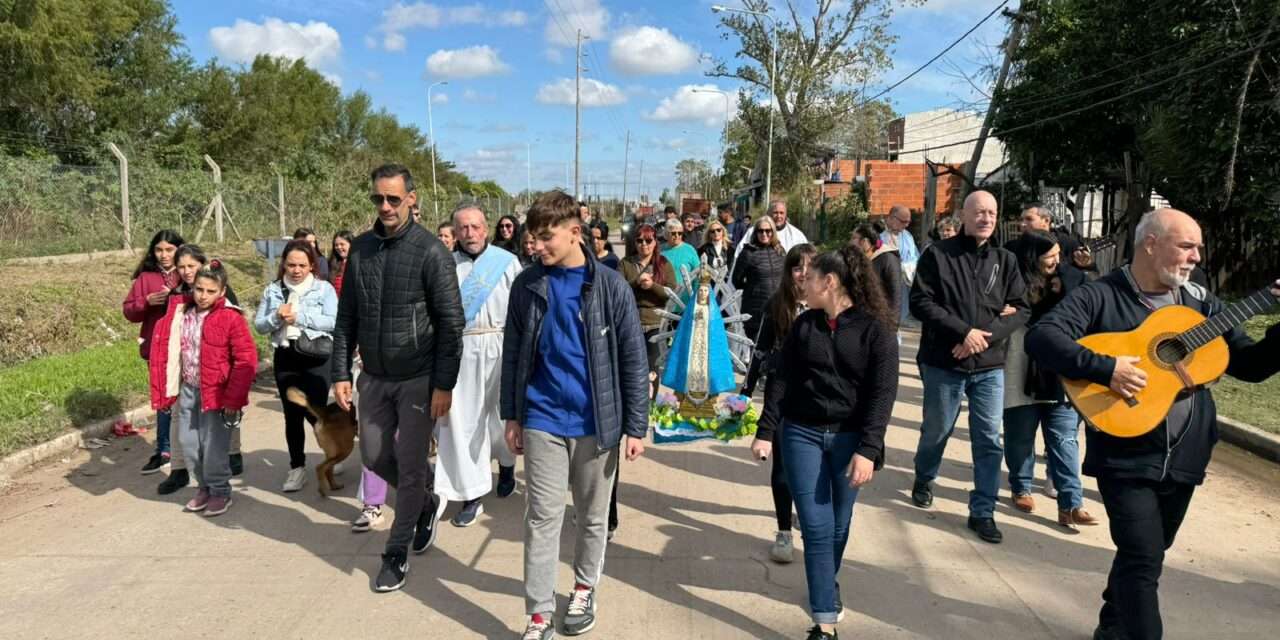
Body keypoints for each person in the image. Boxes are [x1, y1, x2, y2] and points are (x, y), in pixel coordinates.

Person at [1026, 209, 1280, 640]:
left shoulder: (1200, 303)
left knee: (1145, 554)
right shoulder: (1100, 296)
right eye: (1186, 246)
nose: (1196, 257)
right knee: (1143, 559)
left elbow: (1251, 367)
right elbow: (1042, 337)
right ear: (1150, 244)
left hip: (1187, 454)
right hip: (1125, 453)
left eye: (1197, 247)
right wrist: (1106, 369)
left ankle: (1111, 627)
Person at [501, 190, 648, 640]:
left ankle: (584, 588)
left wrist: (636, 426)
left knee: (590, 514)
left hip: (596, 422)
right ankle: (540, 614)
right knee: (542, 515)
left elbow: (633, 359)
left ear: (574, 233)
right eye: (533, 238)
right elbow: (512, 355)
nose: (537, 246)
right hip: (543, 416)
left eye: (546, 238)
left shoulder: (610, 287)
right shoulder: (527, 286)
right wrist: (512, 414)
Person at [330, 164, 464, 593]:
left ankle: (395, 552)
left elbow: (450, 322)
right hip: (373, 377)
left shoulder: (431, 251)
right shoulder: (362, 250)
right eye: (378, 199)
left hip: (419, 379)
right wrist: (339, 373)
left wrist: (444, 384)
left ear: (411, 199)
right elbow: (346, 316)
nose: (385, 206)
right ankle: (426, 501)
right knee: (372, 455)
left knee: (408, 466)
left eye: (393, 198)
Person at [756, 245, 899, 640]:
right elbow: (781, 380)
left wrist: (868, 450)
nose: (803, 280)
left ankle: (824, 580)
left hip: (851, 440)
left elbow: (882, 394)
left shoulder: (876, 331)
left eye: (811, 276)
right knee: (817, 527)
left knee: (838, 526)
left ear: (830, 282)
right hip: (801, 433)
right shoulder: (805, 326)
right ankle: (824, 622)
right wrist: (766, 431)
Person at [908, 190, 1029, 544]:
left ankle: (983, 511)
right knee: (938, 429)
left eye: (992, 213)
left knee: (989, 439)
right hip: (944, 363)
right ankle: (924, 475)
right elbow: (920, 303)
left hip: (989, 366)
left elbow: (1021, 308)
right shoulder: (938, 256)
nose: (986, 219)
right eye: (979, 212)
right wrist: (963, 332)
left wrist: (983, 338)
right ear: (964, 214)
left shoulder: (1005, 260)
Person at [1000, 230, 1098, 528]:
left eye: (1058, 254)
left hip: (1060, 366)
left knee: (1065, 436)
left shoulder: (1071, 277)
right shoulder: (1013, 279)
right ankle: (1021, 486)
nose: (1056, 261)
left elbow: (1090, 295)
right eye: (1049, 256)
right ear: (1032, 258)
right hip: (1020, 361)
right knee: (1020, 434)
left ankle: (1071, 502)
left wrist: (1072, 274)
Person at [148, 259, 258, 517]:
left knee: (213, 446)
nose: (203, 296)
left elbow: (246, 359)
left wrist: (234, 399)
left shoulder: (230, 318)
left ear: (222, 292)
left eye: (210, 291)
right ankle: (204, 487)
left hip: (217, 393)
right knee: (188, 443)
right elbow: (165, 350)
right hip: (188, 389)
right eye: (199, 289)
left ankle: (220, 491)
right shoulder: (182, 314)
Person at [435, 204, 522, 528]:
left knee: (501, 416)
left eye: (475, 227)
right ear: (455, 232)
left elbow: (521, 309)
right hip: (463, 348)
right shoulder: (445, 265)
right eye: (463, 228)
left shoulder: (506, 263)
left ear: (486, 229)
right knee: (465, 422)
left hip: (501, 346)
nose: (469, 233)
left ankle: (507, 464)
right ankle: (472, 495)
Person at [742, 242, 816, 566]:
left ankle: (805, 514)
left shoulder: (827, 305)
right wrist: (744, 394)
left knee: (811, 470)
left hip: (817, 400)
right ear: (788, 272)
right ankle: (784, 530)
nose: (802, 273)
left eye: (809, 267)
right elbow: (758, 350)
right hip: (781, 398)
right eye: (796, 267)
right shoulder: (778, 305)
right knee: (783, 469)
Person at [254, 239, 339, 493]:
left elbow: (333, 321)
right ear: (283, 265)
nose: (296, 270)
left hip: (316, 356)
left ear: (312, 265)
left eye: (302, 265)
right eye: (291, 264)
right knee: (291, 415)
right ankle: (297, 467)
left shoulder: (324, 289)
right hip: (286, 357)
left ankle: (331, 458)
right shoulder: (273, 290)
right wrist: (275, 316)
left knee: (316, 413)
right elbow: (259, 325)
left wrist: (300, 317)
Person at [123, 229, 184, 476]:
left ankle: (192, 447)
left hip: (186, 346)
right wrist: (146, 301)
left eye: (169, 249)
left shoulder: (188, 272)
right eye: (159, 250)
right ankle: (164, 450)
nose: (164, 255)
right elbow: (129, 311)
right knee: (164, 400)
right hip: (157, 349)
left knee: (190, 399)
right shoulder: (145, 278)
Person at [620, 223, 676, 387]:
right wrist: (636, 282)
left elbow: (672, 294)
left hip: (656, 324)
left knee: (652, 370)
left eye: (648, 240)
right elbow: (618, 292)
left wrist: (653, 286)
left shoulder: (664, 264)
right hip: (631, 323)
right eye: (639, 240)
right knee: (632, 367)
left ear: (655, 242)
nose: (643, 244)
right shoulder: (626, 264)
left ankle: (650, 408)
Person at [732, 217, 786, 346]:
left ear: (773, 232)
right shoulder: (748, 253)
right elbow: (736, 280)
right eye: (760, 231)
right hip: (756, 311)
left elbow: (786, 276)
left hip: (779, 310)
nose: (764, 234)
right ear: (755, 233)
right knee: (758, 351)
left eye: (768, 231)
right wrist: (753, 289)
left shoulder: (780, 250)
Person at [853, 223, 903, 331]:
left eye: (854, 238)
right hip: (862, 319)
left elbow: (896, 293)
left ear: (865, 242)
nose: (851, 242)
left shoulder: (888, 258)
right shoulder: (860, 259)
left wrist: (893, 324)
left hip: (882, 321)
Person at [880, 205, 920, 324]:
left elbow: (915, 257)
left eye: (908, 222)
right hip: (883, 285)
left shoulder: (907, 236)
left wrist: (907, 267)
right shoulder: (878, 234)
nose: (906, 225)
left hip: (902, 286)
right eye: (903, 222)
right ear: (892, 218)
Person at [735, 200, 808, 262]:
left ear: (786, 214)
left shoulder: (796, 235)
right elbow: (739, 256)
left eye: (781, 213)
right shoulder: (754, 232)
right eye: (775, 213)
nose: (778, 216)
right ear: (768, 214)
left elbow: (806, 258)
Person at [661, 218, 701, 288]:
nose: (677, 236)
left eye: (680, 233)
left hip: (686, 295)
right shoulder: (660, 250)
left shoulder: (689, 249)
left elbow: (698, 273)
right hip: (665, 294)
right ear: (666, 234)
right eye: (673, 233)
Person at [329, 230, 354, 295]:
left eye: (342, 244)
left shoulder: (359, 263)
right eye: (336, 245)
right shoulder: (332, 263)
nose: (339, 247)